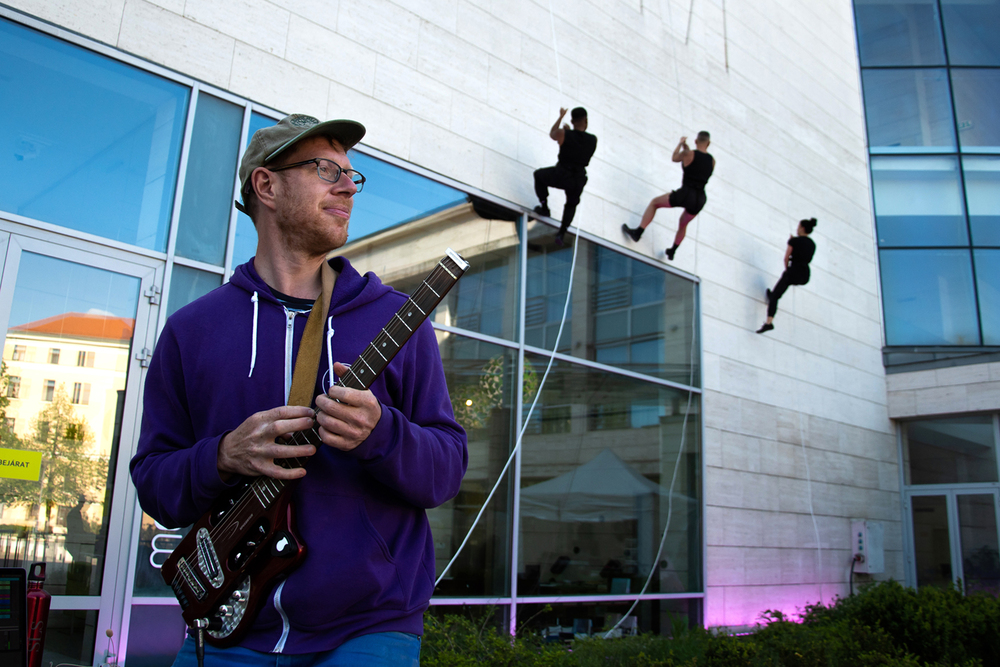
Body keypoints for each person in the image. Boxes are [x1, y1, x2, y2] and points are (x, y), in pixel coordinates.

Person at [130, 113, 468, 666]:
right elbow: (154, 484)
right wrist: (221, 456)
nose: (347, 187)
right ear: (266, 185)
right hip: (227, 629)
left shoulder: (397, 321)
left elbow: (447, 468)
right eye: (325, 169)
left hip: (368, 630)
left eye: (352, 176)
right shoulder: (192, 331)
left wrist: (382, 434)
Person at [621, 132, 715, 260]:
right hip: (699, 199)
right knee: (683, 224)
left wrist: (680, 144)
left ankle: (638, 232)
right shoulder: (712, 161)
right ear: (708, 143)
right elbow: (698, 166)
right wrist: (686, 149)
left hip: (685, 193)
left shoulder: (689, 154)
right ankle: (672, 251)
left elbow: (675, 158)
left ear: (695, 141)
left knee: (655, 203)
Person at [533, 106, 598, 244]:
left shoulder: (564, 134)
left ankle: (544, 207)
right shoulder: (593, 140)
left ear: (572, 121)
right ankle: (562, 232)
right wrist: (570, 133)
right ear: (585, 121)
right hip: (578, 177)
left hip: (562, 173)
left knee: (539, 175)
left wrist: (561, 117)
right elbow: (579, 146)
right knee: (571, 204)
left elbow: (552, 133)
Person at [756, 217, 818, 334]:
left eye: (798, 227)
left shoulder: (794, 241)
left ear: (803, 228)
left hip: (793, 271)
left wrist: (787, 270)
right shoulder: (812, 244)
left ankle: (769, 323)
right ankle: (772, 295)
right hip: (805, 275)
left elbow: (786, 258)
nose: (797, 229)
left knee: (776, 296)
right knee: (777, 292)